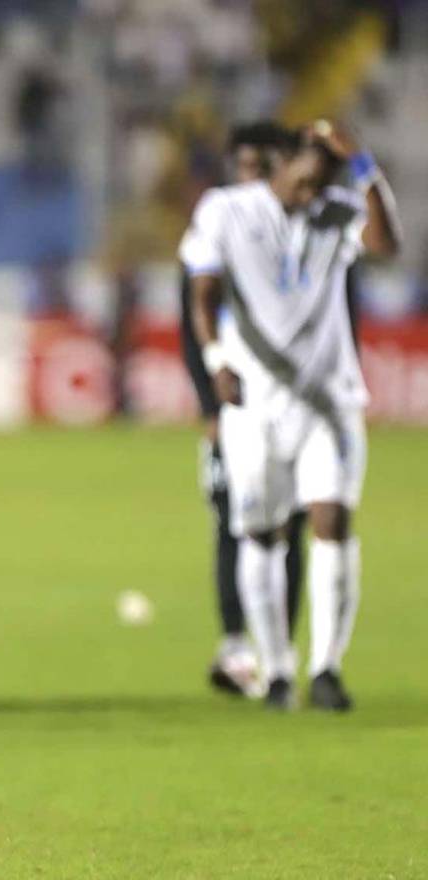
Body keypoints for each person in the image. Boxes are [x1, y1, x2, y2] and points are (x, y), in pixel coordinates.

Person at [184, 120, 400, 711]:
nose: (312, 196)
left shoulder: (335, 209)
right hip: (253, 405)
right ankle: (277, 668)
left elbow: (386, 246)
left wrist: (365, 168)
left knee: (332, 523)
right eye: (306, 181)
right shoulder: (226, 211)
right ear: (286, 164)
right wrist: (214, 359)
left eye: (324, 184)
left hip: (329, 401)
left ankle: (326, 667)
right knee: (260, 533)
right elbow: (201, 291)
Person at [179, 120, 304, 698]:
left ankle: (281, 648)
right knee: (235, 516)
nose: (252, 178)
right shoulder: (218, 226)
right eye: (244, 167)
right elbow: (192, 320)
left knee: (296, 521)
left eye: (263, 166)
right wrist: (209, 401)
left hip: (300, 400)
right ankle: (236, 646)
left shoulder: (305, 226)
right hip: (237, 400)